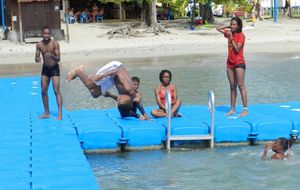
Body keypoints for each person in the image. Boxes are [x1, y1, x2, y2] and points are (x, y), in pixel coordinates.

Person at [66, 61, 138, 116]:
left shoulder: (128, 99)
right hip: (115, 68)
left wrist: (141, 115)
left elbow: (134, 106)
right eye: (119, 100)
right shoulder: (128, 88)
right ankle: (79, 71)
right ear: (127, 100)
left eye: (118, 101)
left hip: (114, 77)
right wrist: (101, 76)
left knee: (95, 94)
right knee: (90, 84)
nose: (118, 99)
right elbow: (118, 70)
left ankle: (81, 75)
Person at [216, 17, 248, 117]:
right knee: (232, 87)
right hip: (229, 63)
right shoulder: (230, 33)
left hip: (239, 62)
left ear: (238, 26)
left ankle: (245, 110)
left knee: (241, 85)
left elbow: (237, 49)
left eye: (234, 25)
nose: (232, 26)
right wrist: (228, 26)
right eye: (231, 24)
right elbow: (217, 28)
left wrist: (231, 38)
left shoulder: (241, 35)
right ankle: (232, 109)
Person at [35, 26, 62, 120]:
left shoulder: (55, 43)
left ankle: (60, 114)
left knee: (56, 91)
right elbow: (36, 57)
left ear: (50, 34)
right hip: (45, 70)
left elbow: (58, 59)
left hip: (54, 69)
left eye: (48, 33)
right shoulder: (39, 44)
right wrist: (37, 59)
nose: (46, 35)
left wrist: (51, 56)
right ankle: (47, 113)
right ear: (42, 34)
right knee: (43, 91)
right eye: (44, 33)